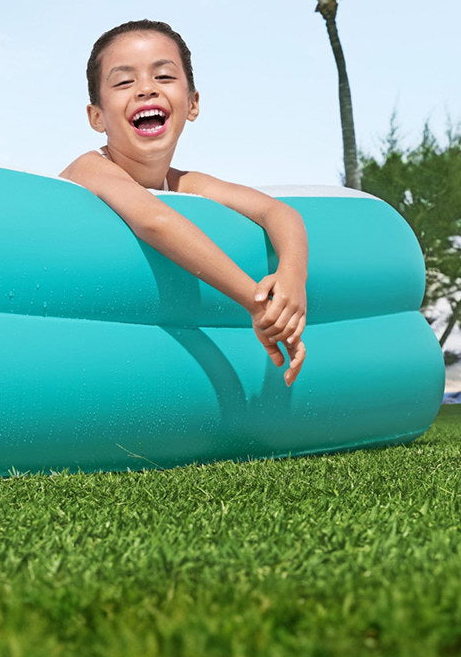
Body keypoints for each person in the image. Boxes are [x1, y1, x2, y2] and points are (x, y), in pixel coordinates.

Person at [60, 20, 308, 386]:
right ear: (96, 116)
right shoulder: (90, 168)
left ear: (192, 104)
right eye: (124, 81)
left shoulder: (185, 183)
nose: (146, 89)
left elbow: (278, 212)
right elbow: (153, 220)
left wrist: (291, 280)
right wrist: (257, 303)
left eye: (163, 77)